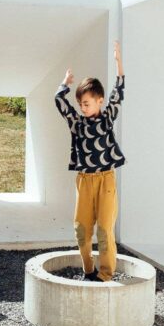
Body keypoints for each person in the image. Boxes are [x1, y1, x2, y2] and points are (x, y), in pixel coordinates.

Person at [54, 40, 126, 282]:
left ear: (99, 100)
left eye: (87, 103)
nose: (83, 108)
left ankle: (105, 275)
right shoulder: (77, 123)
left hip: (106, 179)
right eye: (80, 104)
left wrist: (119, 64)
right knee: (81, 230)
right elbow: (59, 101)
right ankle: (88, 271)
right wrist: (65, 83)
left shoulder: (107, 118)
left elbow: (119, 93)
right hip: (84, 181)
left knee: (105, 230)